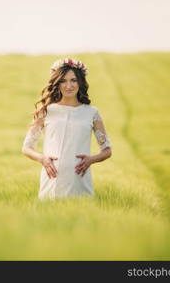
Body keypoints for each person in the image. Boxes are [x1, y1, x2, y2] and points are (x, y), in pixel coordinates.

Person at [21, 58, 112, 200]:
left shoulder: (92, 112)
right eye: (63, 81)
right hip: (51, 179)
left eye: (73, 80)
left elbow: (107, 150)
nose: (68, 85)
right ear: (57, 83)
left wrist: (91, 160)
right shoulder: (46, 111)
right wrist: (43, 159)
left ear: (80, 82)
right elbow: (26, 148)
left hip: (80, 180)